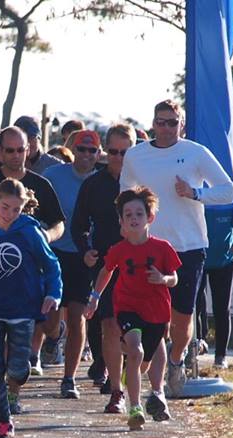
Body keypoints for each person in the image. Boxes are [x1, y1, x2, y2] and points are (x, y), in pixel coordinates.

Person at [119, 99, 233, 397]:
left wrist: (195, 193)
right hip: (148, 246)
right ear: (153, 124)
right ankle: (142, 368)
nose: (167, 128)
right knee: (149, 315)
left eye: (173, 122)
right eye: (161, 121)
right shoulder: (136, 156)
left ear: (181, 125)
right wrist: (129, 230)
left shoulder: (195, 153)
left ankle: (175, 360)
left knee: (183, 317)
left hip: (188, 245)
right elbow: (124, 196)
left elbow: (227, 191)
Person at [0, 125, 64, 378]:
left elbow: (59, 224)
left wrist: (45, 237)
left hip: (29, 271)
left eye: (20, 150)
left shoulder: (41, 184)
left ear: (28, 150)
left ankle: (48, 341)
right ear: (0, 151)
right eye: (10, 150)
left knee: (47, 323)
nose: (16, 155)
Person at [0, 178, 62, 438]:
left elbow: (52, 266)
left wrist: (53, 293)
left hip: (23, 307)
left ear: (24, 208)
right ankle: (4, 423)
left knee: (18, 369)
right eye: (4, 207)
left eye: (16, 210)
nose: (9, 215)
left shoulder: (30, 232)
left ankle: (16, 384)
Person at [85, 186, 181, 430]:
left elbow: (174, 278)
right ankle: (135, 407)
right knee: (135, 352)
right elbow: (106, 271)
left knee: (145, 359)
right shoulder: (118, 250)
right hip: (128, 307)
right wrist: (95, 297)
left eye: (139, 213)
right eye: (128, 215)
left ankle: (149, 387)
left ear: (150, 218)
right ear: (121, 221)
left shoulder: (162, 248)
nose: (134, 219)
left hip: (157, 311)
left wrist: (163, 279)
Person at [70, 123, 137, 413]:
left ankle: (133, 377)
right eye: (113, 152)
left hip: (139, 265)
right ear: (104, 152)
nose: (119, 158)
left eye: (125, 152)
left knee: (136, 334)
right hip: (106, 265)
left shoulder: (142, 183)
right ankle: (116, 391)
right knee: (109, 325)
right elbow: (78, 225)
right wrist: (86, 251)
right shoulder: (93, 184)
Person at [37, 129, 101, 392]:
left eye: (92, 151)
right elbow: (38, 210)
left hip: (84, 256)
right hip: (54, 252)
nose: (86, 155)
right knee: (50, 318)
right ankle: (54, 335)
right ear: (72, 150)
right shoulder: (53, 176)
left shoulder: (101, 181)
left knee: (77, 316)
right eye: (81, 149)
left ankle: (69, 378)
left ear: (98, 154)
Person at [198, 202, 233, 369]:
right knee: (195, 305)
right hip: (197, 259)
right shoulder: (197, 198)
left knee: (222, 308)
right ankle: (199, 342)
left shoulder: (231, 201)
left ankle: (220, 356)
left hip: (224, 261)